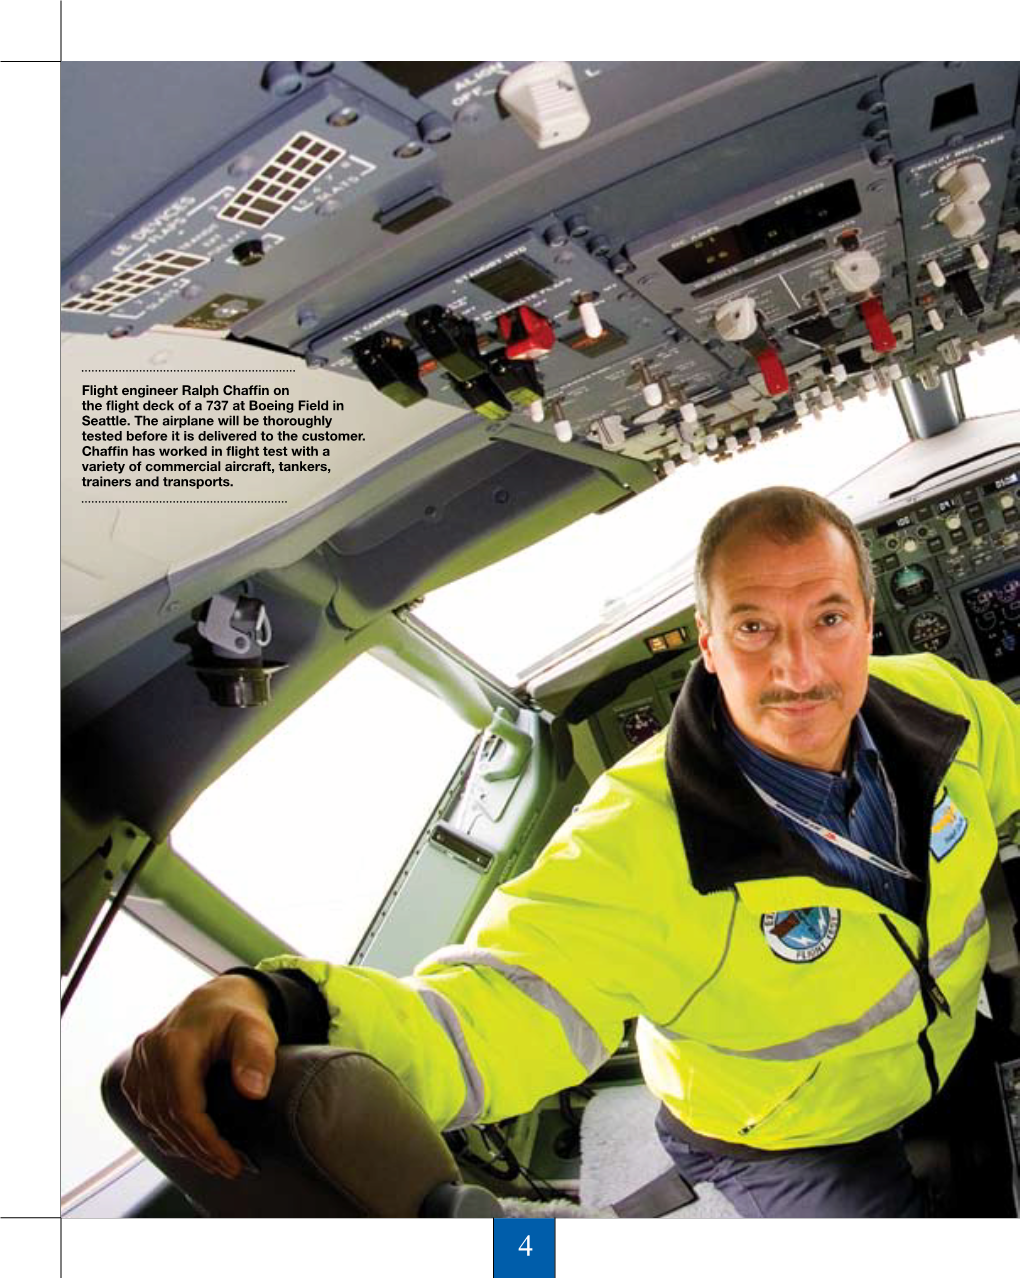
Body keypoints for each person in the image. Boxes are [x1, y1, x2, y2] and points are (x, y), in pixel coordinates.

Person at [121, 486, 1020, 1217]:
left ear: (867, 617)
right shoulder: (630, 843)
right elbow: (483, 1013)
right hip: (779, 1131)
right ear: (707, 644)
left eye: (827, 618)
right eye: (754, 628)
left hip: (939, 1048)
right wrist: (284, 1003)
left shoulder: (942, 705)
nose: (798, 668)